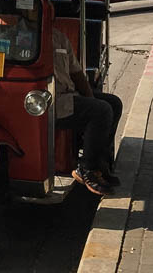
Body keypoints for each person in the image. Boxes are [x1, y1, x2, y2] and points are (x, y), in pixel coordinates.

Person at [53, 27, 123, 196]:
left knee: (112, 103)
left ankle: (99, 164)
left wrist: (91, 98)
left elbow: (76, 73)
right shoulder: (16, 35)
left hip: (67, 96)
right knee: (102, 110)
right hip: (47, 102)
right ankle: (87, 169)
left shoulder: (58, 37)